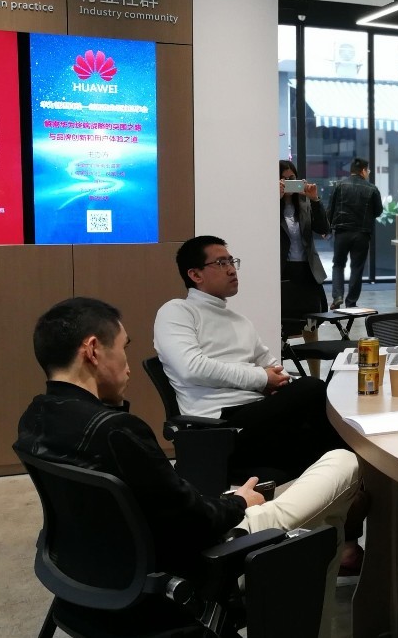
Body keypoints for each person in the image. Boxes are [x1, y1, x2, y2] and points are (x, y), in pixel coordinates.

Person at [15, 297, 360, 632]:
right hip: (192, 564)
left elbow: (165, 502)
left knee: (326, 526)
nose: (128, 366)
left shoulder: (35, 417)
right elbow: (197, 522)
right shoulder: (116, 432)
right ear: (92, 351)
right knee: (343, 464)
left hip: (94, 575)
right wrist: (239, 503)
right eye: (123, 349)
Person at [153, 235, 365, 569]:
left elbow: (271, 367)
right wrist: (261, 379)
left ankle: (336, 536)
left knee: (328, 436)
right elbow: (191, 367)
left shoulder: (239, 321)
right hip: (220, 424)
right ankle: (348, 529)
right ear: (195, 274)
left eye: (232, 261)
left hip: (257, 418)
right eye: (221, 263)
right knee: (314, 391)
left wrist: (278, 382)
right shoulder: (177, 312)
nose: (231, 269)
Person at [327, 157, 383, 309]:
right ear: (363, 171)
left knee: (338, 264)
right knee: (357, 268)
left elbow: (331, 209)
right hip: (362, 234)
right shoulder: (372, 189)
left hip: (342, 232)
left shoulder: (339, 185)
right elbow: (378, 211)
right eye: (368, 170)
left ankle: (337, 296)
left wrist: (327, 229)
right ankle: (351, 302)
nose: (368, 173)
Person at [279, 160, 329, 315]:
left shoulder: (304, 202)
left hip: (308, 270)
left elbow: (323, 228)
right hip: (283, 270)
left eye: (292, 178)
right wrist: (276, 199)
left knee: (313, 317)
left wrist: (315, 200)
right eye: (284, 179)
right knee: (286, 319)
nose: (288, 183)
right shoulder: (269, 205)